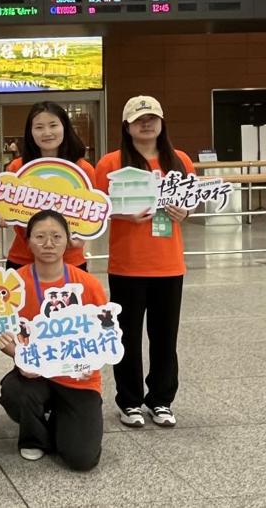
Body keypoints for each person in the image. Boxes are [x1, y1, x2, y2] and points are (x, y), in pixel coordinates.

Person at [95, 96, 194, 429]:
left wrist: (184, 212)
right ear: (127, 126)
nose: (146, 124)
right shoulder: (110, 163)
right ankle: (129, 401)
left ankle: (161, 400)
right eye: (139, 120)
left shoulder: (180, 161)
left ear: (162, 122)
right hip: (127, 265)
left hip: (169, 265)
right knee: (127, 337)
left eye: (152, 118)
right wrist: (122, 214)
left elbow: (189, 203)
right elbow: (96, 209)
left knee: (165, 337)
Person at [0, 210, 104, 471]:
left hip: (78, 379)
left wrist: (91, 362)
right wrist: (20, 357)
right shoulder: (14, 285)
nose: (48, 244)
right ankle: (34, 438)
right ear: (28, 241)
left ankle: (59, 421)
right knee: (15, 391)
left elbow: (104, 335)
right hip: (35, 376)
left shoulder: (87, 285)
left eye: (56, 236)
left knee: (81, 459)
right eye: (40, 237)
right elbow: (0, 332)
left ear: (68, 240)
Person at [2, 102, 95, 271]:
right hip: (23, 259)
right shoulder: (16, 168)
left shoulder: (83, 170)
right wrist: (0, 213)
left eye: (53, 125)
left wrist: (82, 237)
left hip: (70, 259)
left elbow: (91, 214)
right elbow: (4, 208)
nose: (47, 133)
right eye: (39, 127)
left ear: (65, 127)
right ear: (30, 132)